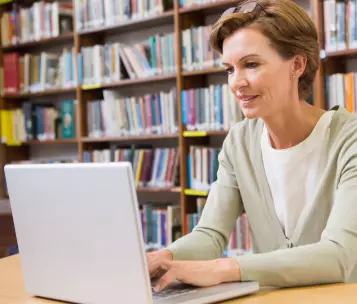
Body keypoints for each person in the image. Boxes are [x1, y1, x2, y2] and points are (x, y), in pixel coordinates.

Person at [148, 0, 357, 292]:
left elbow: (340, 255)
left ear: (297, 65)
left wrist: (226, 268)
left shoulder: (350, 138)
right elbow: (210, 234)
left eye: (251, 64)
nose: (237, 83)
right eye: (229, 69)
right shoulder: (240, 142)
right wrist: (162, 259)